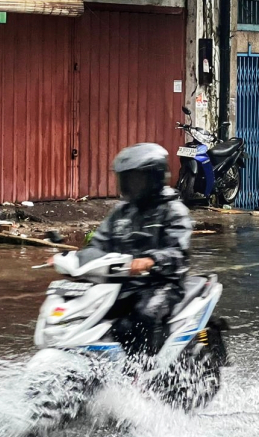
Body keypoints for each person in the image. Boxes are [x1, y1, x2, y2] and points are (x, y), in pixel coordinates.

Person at [78, 143, 193, 355]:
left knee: (144, 314)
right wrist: (77, 259)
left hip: (163, 284)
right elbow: (98, 243)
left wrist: (151, 260)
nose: (129, 185)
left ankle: (145, 371)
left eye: (136, 179)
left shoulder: (173, 210)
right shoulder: (121, 212)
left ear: (154, 177)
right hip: (124, 284)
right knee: (90, 312)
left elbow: (178, 253)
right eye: (126, 179)